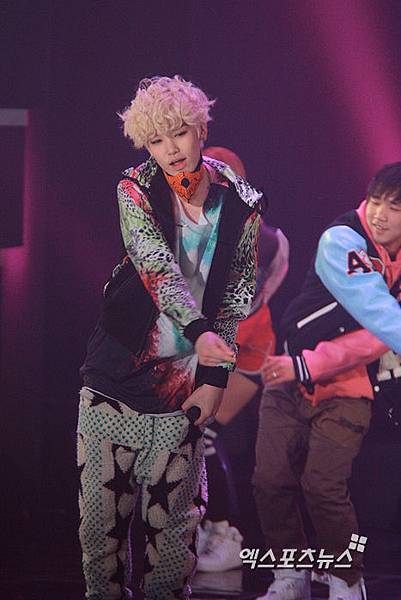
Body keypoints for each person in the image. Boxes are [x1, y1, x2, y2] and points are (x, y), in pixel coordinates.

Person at [77, 75, 263, 600]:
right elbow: (154, 265)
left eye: (178, 133)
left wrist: (215, 376)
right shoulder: (134, 187)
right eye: (156, 140)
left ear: (201, 129)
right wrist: (198, 332)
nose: (170, 150)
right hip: (115, 374)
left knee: (174, 541)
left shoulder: (242, 201)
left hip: (182, 387)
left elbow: (236, 293)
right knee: (100, 536)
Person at [253, 162, 401, 600]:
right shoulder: (342, 239)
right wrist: (301, 368)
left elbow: (376, 338)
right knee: (270, 480)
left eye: (394, 207)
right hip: (288, 372)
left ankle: (346, 580)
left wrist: (308, 366)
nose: (379, 214)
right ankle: (289, 575)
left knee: (323, 486)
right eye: (375, 201)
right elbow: (376, 312)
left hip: (348, 386)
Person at [194, 147, 289, 573]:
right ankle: (203, 526)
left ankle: (225, 531)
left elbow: (255, 298)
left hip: (246, 349)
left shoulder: (268, 240)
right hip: (208, 344)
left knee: (204, 433)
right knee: (190, 434)